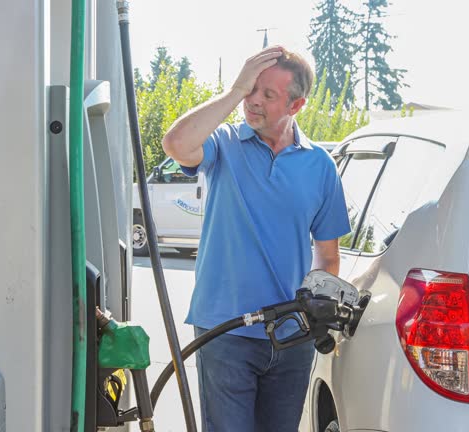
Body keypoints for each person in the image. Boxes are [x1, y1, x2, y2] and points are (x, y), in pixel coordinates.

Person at [162, 46, 351, 432]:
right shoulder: (225, 144)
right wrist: (234, 91)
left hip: (291, 336)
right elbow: (176, 144)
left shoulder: (320, 166)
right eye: (252, 89)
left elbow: (328, 258)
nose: (253, 101)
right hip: (225, 332)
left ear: (296, 105)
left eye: (268, 94)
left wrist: (315, 315)